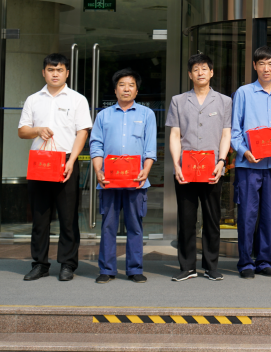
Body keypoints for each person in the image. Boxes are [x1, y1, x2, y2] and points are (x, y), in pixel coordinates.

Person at [18, 53, 92, 282]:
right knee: (40, 218)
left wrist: (72, 161)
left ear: (67, 73)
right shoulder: (33, 99)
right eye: (51, 70)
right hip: (40, 161)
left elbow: (83, 132)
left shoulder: (77, 99)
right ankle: (40, 264)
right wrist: (37, 130)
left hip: (66, 161)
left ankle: (68, 264)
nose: (55, 74)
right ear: (44, 73)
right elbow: (22, 131)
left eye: (59, 70)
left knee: (68, 217)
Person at [165, 53, 232, 282]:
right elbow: (175, 135)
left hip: (212, 168)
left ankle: (211, 266)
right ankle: (187, 267)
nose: (200, 72)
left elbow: (226, 134)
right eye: (196, 69)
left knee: (212, 219)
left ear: (211, 72)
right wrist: (176, 164)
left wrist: (221, 161)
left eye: (204, 68)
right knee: (186, 219)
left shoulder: (224, 101)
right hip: (185, 169)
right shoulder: (178, 101)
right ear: (189, 74)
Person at [231, 46, 271, 279]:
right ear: (254, 66)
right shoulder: (243, 93)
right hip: (248, 165)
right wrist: (245, 151)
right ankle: (245, 262)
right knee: (247, 214)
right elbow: (235, 131)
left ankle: (264, 261)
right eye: (261, 64)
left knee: (270, 215)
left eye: (270, 64)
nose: (266, 68)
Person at [89, 69, 157, 284]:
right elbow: (96, 145)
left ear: (136, 90)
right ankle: (107, 269)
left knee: (135, 225)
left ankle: (134, 269)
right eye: (122, 85)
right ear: (115, 89)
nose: (126, 89)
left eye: (131, 85)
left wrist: (146, 170)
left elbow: (150, 147)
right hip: (109, 180)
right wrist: (98, 171)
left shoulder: (147, 115)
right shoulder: (103, 115)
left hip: (136, 180)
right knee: (108, 225)